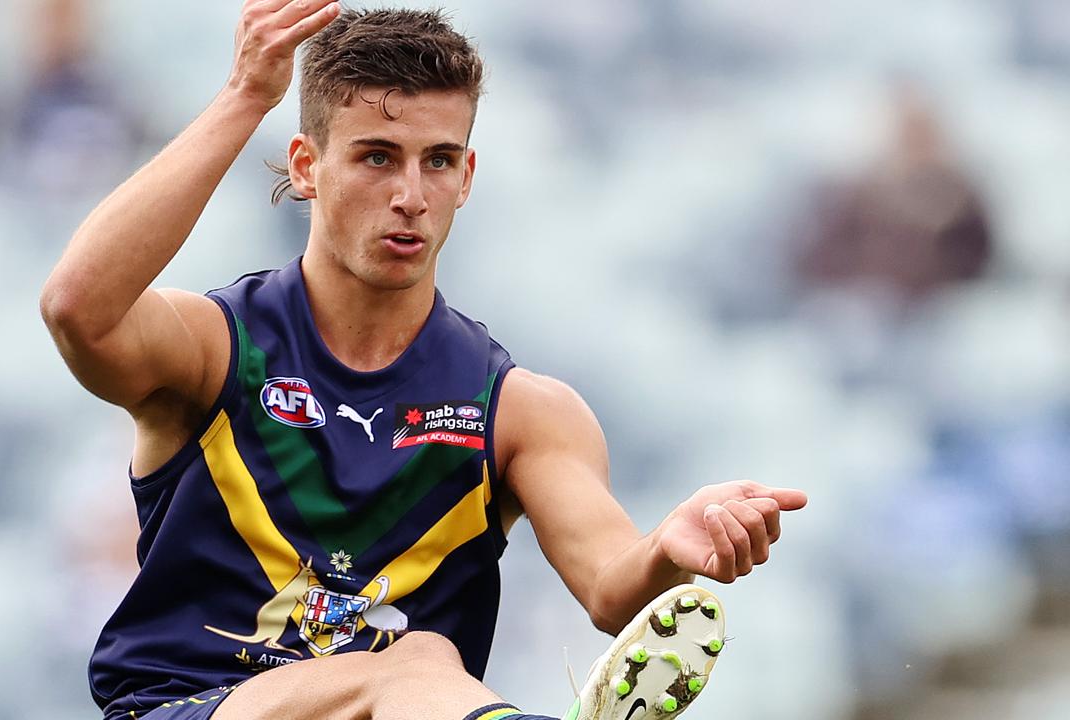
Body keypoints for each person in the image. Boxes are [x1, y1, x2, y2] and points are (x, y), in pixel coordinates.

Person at [40, 4, 808, 719]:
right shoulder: (215, 348)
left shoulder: (517, 410)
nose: (410, 194)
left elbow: (612, 590)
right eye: (378, 157)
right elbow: (79, 308)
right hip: (190, 706)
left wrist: (669, 551)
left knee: (422, 663)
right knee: (419, 658)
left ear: (466, 178)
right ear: (306, 167)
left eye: (438, 162)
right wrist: (246, 95)